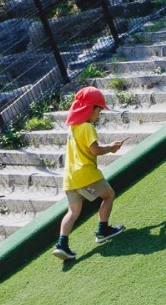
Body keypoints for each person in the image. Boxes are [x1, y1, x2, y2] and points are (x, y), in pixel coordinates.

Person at [52, 85, 124, 263]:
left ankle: (62, 244)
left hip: (70, 178)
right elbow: (95, 150)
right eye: (98, 111)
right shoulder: (88, 127)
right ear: (89, 109)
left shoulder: (73, 128)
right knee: (109, 195)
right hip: (86, 174)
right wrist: (112, 148)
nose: (98, 116)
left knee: (73, 212)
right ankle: (103, 230)